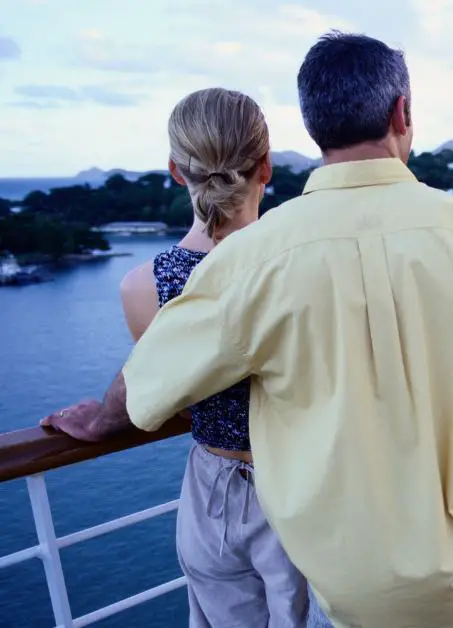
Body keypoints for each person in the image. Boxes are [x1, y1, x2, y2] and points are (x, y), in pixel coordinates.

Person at [42, 31, 453, 628]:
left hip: (345, 591)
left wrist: (99, 418)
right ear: (401, 113)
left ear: (313, 127)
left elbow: (148, 380)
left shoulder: (249, 260)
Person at [116, 87, 309, 627]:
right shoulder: (301, 264)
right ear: (265, 166)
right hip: (302, 484)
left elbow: (177, 401)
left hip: (211, 494)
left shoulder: (143, 287)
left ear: (176, 171)